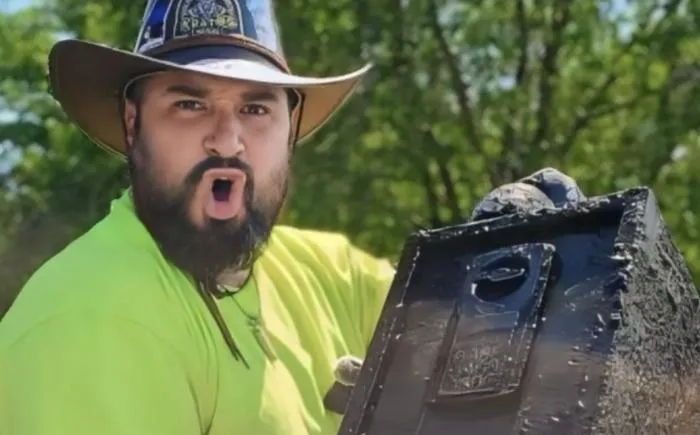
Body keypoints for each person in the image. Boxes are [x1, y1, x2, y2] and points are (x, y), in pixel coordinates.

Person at [0, 0, 585, 434]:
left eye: (256, 108)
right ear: (134, 125)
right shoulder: (91, 317)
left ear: (291, 129)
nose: (227, 140)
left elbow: (484, 342)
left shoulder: (327, 271)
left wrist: (547, 272)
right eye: (189, 104)